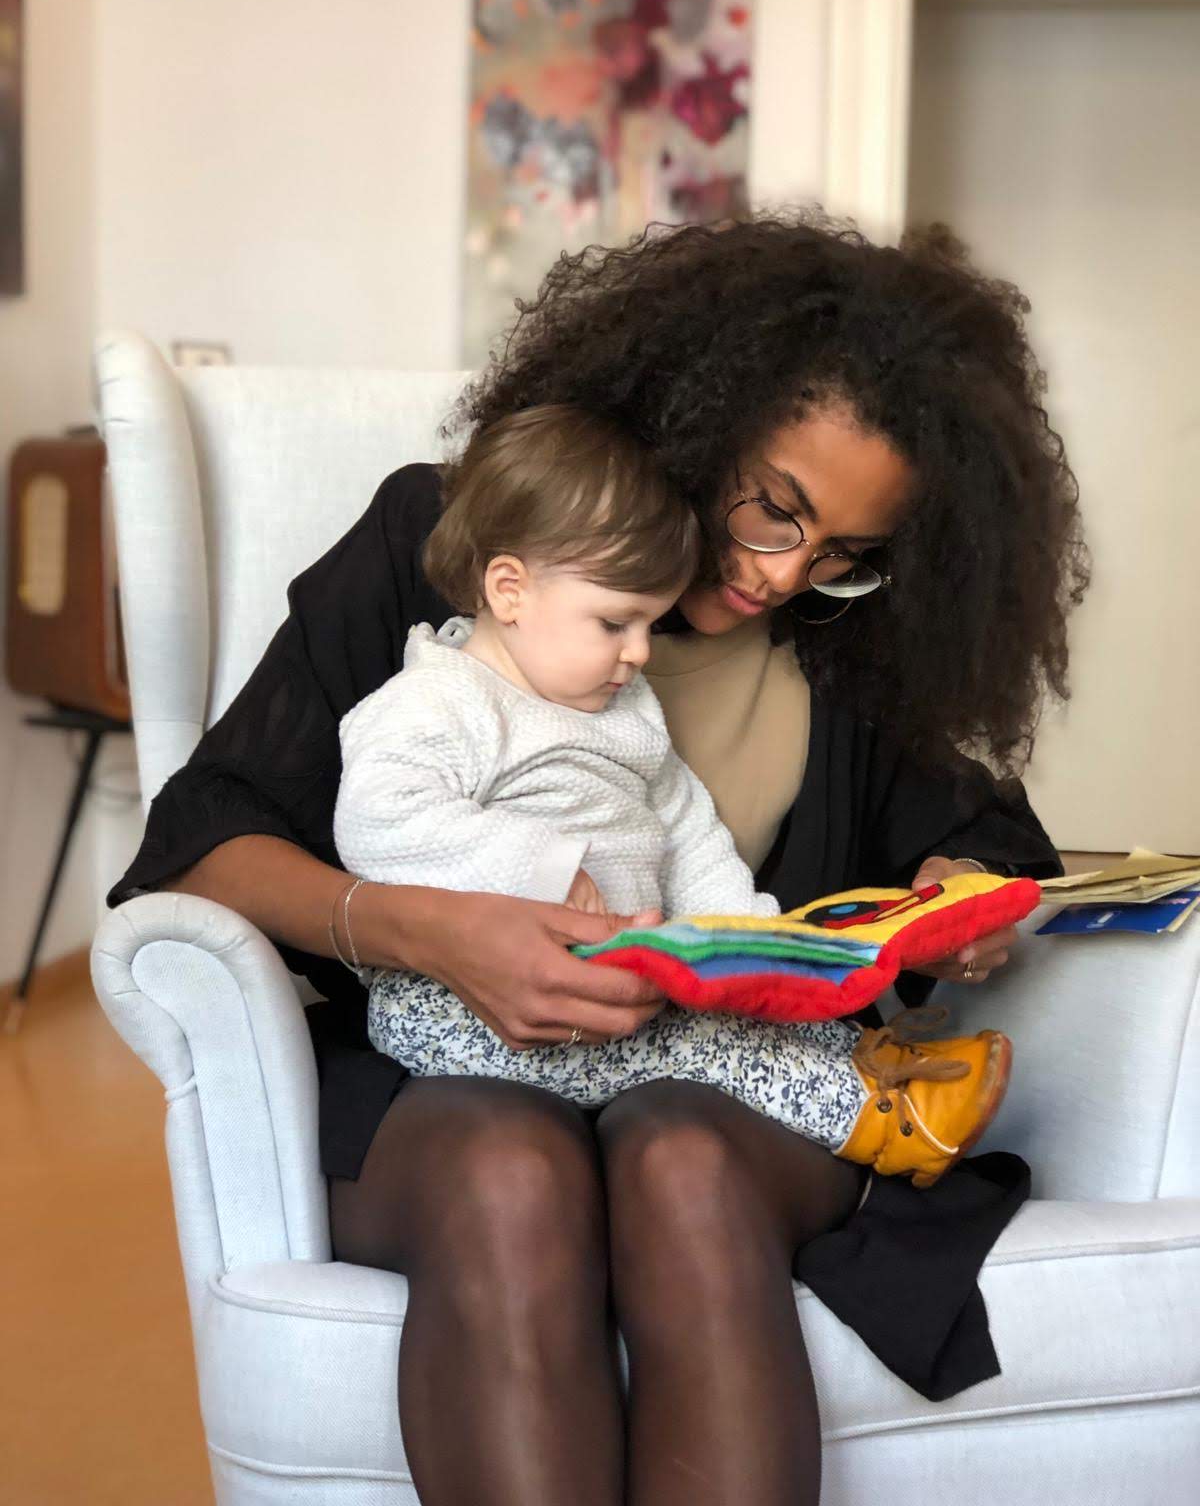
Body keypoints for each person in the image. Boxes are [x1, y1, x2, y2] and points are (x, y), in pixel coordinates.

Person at [110, 213, 1088, 1506]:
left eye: (845, 554)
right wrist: (430, 928)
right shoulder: (454, 543)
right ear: (696, 412)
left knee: (679, 1157)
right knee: (512, 1171)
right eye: (775, 508)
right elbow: (199, 844)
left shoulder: (850, 650)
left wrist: (959, 895)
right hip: (442, 1069)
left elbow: (989, 837)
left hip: (715, 1084)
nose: (786, 574)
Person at [335, 400, 1013, 1187]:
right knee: (699, 1049)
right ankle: (881, 1120)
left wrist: (753, 944)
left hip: (613, 987)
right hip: (453, 1009)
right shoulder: (440, 701)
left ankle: (867, 1058)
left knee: (733, 1020)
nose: (638, 653)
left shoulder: (621, 708)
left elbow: (685, 828)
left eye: (649, 625)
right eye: (615, 624)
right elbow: (378, 819)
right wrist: (544, 868)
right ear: (510, 590)